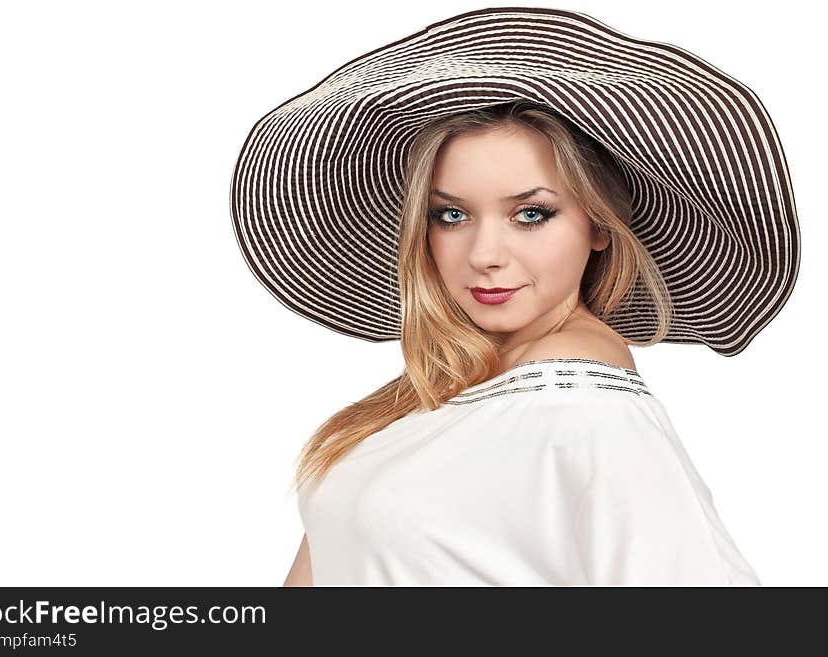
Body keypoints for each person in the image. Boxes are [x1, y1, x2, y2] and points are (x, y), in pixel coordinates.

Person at [231, 8, 799, 586]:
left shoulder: (581, 405)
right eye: (452, 215)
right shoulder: (450, 387)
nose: (484, 254)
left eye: (531, 214)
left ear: (598, 223)